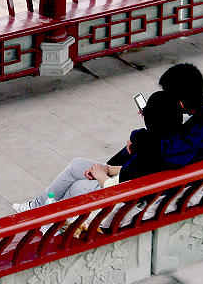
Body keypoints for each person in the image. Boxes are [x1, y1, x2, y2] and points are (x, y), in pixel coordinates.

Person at [12, 90, 184, 212]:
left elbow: (115, 189)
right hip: (130, 184)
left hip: (122, 200)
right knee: (77, 165)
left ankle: (47, 218)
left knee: (77, 186)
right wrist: (105, 169)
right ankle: (37, 206)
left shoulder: (151, 151)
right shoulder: (173, 140)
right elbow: (134, 169)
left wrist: (101, 175)